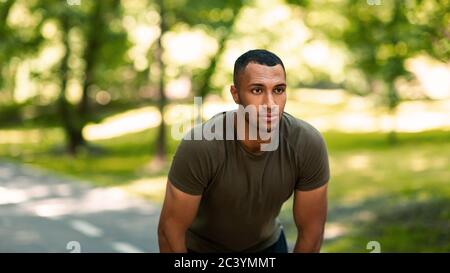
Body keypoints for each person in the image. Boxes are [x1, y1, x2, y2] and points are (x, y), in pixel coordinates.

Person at [158, 49, 330, 253]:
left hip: (267, 247)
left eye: (278, 90)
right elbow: (170, 230)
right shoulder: (201, 146)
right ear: (236, 94)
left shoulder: (307, 144)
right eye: (257, 90)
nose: (270, 104)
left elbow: (312, 233)